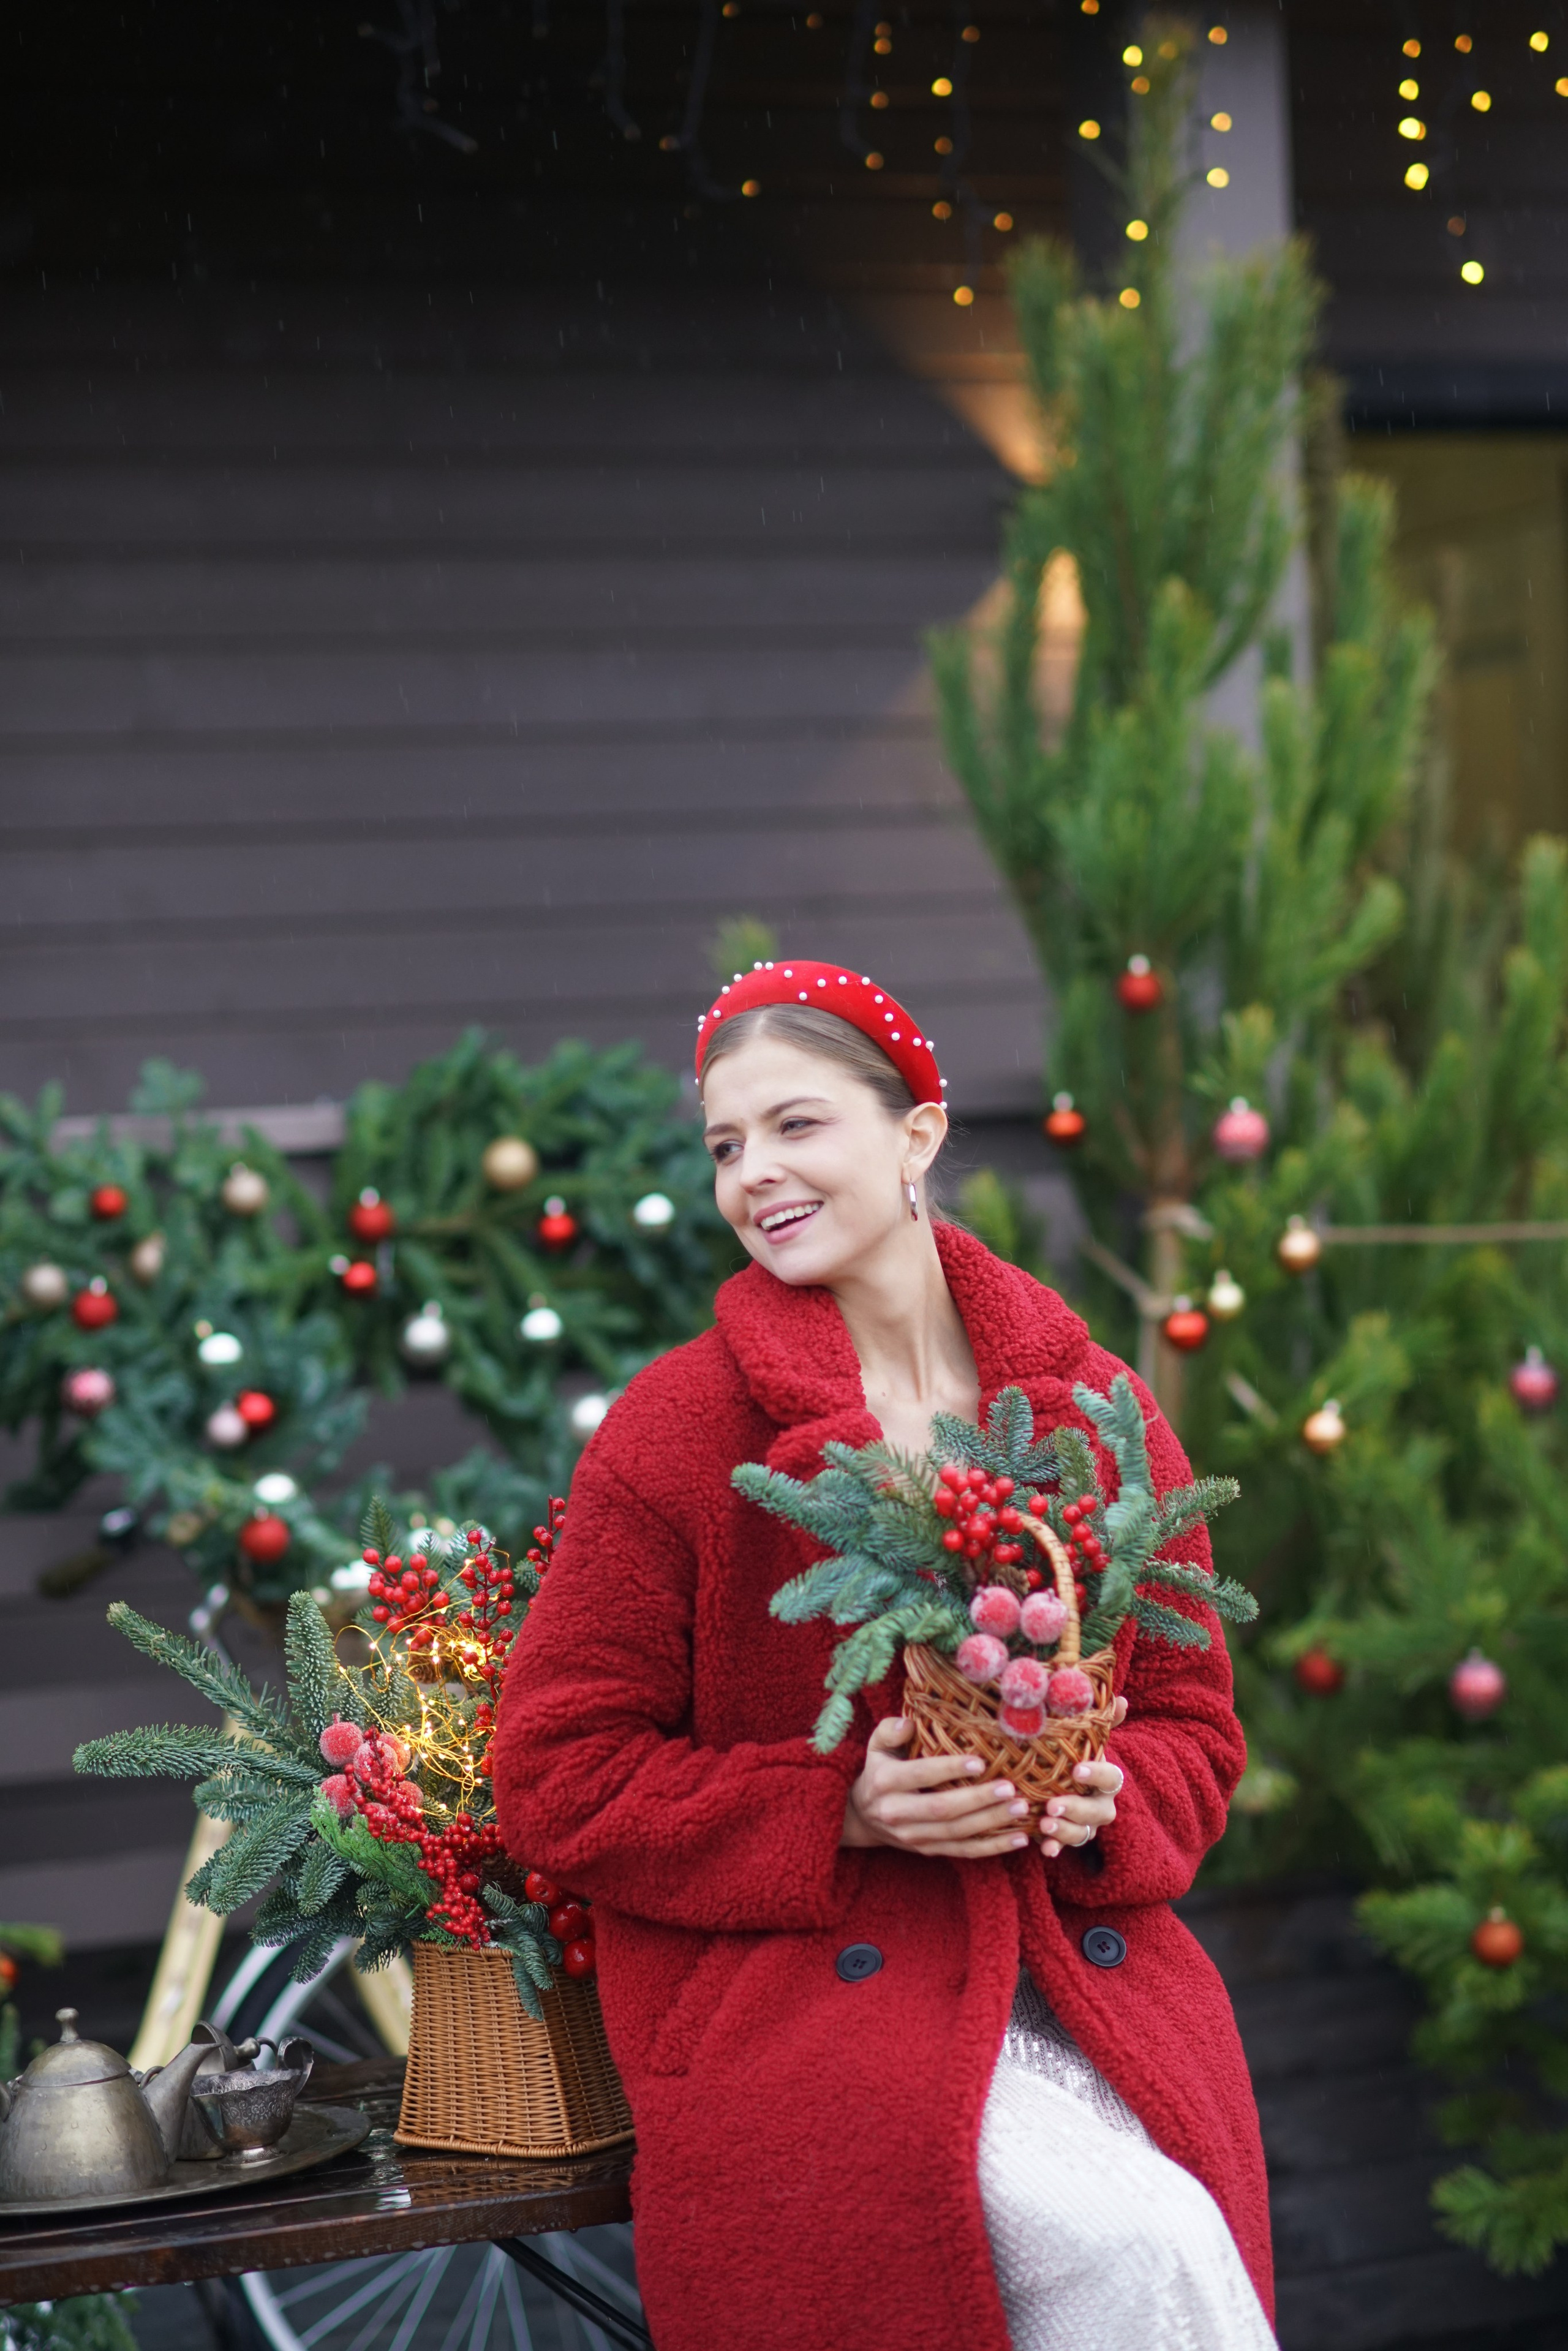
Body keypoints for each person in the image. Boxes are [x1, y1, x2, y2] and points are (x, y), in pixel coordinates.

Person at [493, 960, 1276, 2351]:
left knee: (1171, 2229)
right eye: (726, 1144)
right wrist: (837, 1808)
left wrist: (1108, 1797)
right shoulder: (679, 1426)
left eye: (796, 1125)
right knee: (1137, 2250)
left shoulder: (1094, 1405)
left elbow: (1190, 1726)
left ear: (916, 1131)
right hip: (806, 2002)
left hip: (1080, 1969)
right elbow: (556, 1770)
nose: (754, 1175)